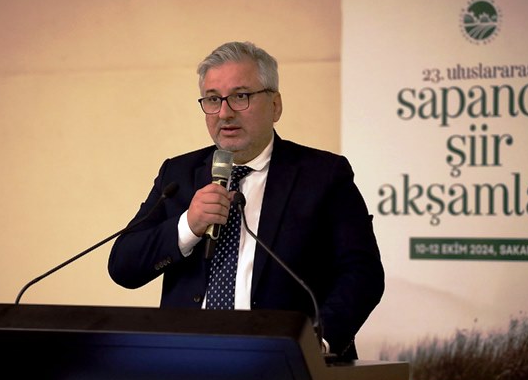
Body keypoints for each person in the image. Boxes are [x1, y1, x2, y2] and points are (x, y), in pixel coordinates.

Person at [108, 41, 384, 361]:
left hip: (285, 364)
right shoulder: (178, 174)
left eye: (241, 96)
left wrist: (316, 344)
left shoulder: (322, 175)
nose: (225, 113)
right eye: (213, 99)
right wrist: (188, 227)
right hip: (188, 363)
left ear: (275, 106)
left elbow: (362, 273)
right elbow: (123, 266)